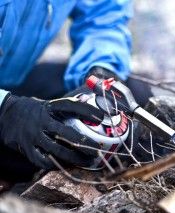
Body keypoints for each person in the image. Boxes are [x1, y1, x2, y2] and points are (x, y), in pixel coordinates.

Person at [0, 0, 133, 181]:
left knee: (130, 96)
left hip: (10, 79)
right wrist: (6, 110)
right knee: (29, 157)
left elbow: (103, 16)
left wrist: (100, 72)